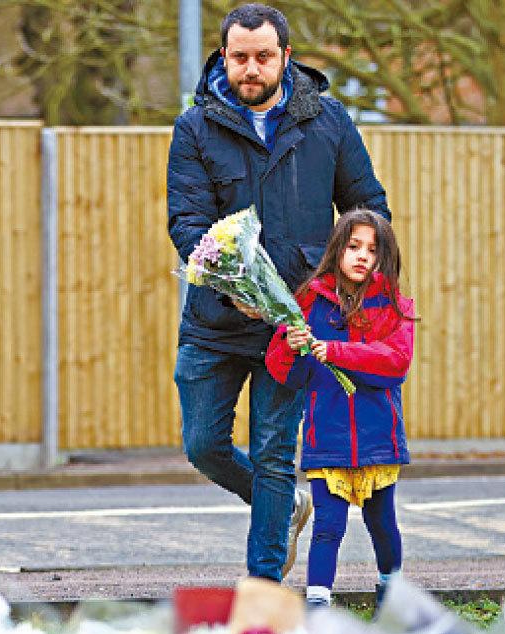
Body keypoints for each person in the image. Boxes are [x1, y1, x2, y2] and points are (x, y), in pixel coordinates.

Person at [167, 3, 390, 582]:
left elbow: (368, 207)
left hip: (296, 323)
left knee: (272, 452)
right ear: (224, 57)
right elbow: (187, 223)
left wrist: (346, 279)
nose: (251, 69)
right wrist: (229, 282)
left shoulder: (328, 122)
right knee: (203, 446)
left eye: (263, 57)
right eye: (240, 57)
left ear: (285, 57)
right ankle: (288, 505)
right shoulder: (194, 128)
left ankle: (262, 584)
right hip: (215, 322)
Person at [264, 209, 416, 610]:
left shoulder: (394, 305)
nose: (363, 256)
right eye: (354, 246)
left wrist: (336, 352)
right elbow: (284, 372)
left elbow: (395, 363)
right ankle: (318, 607)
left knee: (382, 524)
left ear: (384, 257)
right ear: (337, 250)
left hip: (377, 438)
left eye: (373, 249)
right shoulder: (310, 300)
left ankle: (392, 595)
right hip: (327, 438)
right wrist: (289, 346)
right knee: (327, 529)